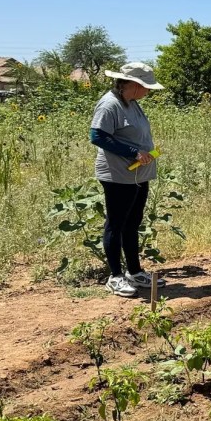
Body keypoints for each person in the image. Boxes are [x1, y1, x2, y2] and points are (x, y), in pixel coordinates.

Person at [89, 62, 164, 297]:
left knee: (133, 222)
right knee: (116, 223)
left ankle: (134, 271)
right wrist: (133, 153)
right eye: (146, 87)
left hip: (138, 174)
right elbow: (97, 135)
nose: (148, 92)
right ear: (132, 85)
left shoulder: (131, 103)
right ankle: (115, 276)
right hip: (118, 174)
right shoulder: (110, 104)